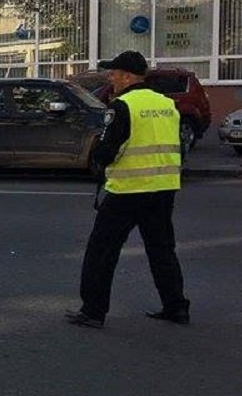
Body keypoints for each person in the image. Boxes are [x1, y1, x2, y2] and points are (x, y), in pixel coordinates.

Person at [66, 50, 190, 329]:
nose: (111, 79)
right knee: (162, 249)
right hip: (164, 187)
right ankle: (176, 307)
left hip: (128, 190)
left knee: (102, 251)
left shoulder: (123, 105)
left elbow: (107, 149)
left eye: (114, 74)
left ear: (127, 76)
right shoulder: (167, 103)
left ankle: (93, 311)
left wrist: (97, 164)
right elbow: (178, 144)